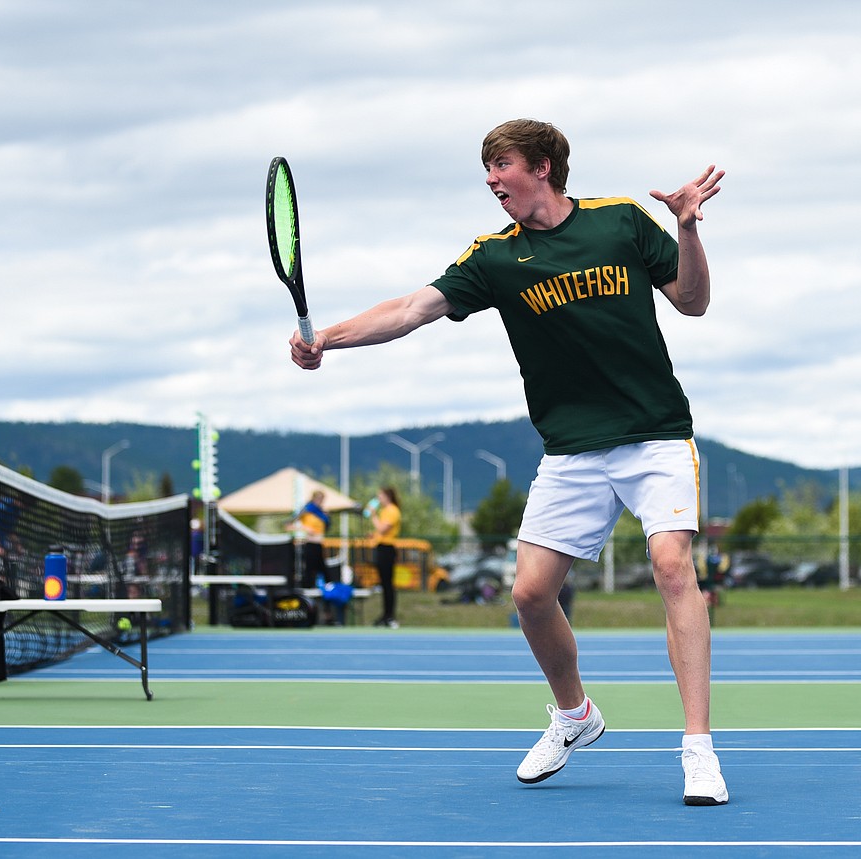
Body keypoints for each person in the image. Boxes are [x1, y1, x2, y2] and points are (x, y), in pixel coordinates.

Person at [289, 118, 727, 806]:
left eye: (502, 166)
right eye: (487, 169)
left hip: (654, 436)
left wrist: (689, 229)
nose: (492, 179)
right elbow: (411, 308)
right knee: (528, 594)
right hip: (571, 450)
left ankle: (698, 749)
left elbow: (694, 302)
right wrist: (327, 339)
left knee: (674, 567)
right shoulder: (494, 257)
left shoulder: (621, 222)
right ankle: (576, 715)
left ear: (544, 167)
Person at [367, 487, 402, 628]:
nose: (378, 499)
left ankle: (390, 616)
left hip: (388, 549)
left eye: (380, 496)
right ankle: (385, 615)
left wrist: (373, 515)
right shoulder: (385, 511)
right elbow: (380, 532)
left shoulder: (392, 510)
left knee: (388, 584)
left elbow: (383, 529)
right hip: (381, 547)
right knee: (383, 584)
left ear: (387, 496)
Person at [288, 490, 330, 589]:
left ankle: (325, 585)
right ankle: (308, 586)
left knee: (321, 566)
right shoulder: (307, 509)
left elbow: (325, 527)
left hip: (319, 542)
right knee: (311, 567)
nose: (320, 501)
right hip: (310, 542)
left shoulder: (321, 513)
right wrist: (305, 528)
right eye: (319, 499)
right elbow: (290, 524)